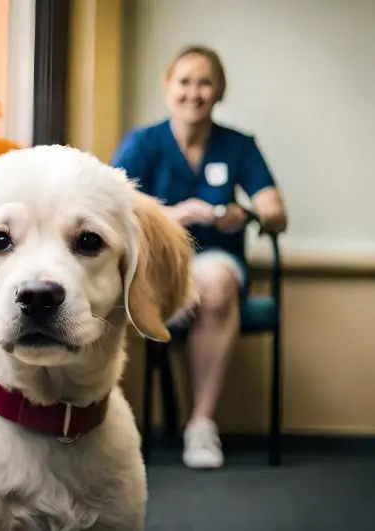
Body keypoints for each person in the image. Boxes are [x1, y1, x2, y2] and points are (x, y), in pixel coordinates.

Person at [111, 45, 288, 469]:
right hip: (158, 265)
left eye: (205, 82)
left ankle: (200, 425)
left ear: (220, 91)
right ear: (168, 87)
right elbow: (110, 206)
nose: (194, 92)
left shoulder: (238, 146)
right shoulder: (144, 142)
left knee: (216, 281)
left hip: (216, 266)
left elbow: (276, 213)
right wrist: (172, 216)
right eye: (184, 81)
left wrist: (241, 213)